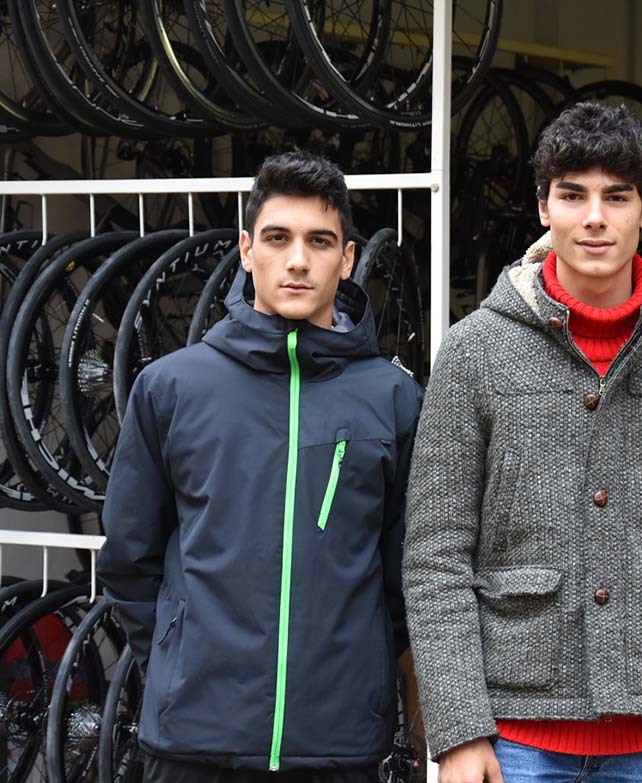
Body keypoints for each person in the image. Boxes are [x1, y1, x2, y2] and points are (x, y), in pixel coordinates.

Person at [403, 101, 642, 783]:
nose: (595, 217)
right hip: (511, 739)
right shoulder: (476, 350)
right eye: (573, 195)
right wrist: (460, 729)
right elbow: (435, 555)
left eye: (616, 197)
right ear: (543, 207)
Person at [98, 151, 422, 782]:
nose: (297, 260)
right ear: (247, 250)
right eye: (277, 238)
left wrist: (366, 671)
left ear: (347, 259)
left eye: (319, 241)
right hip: (193, 740)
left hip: (336, 743)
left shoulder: (393, 398)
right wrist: (175, 658)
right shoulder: (172, 387)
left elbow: (404, 573)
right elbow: (129, 557)